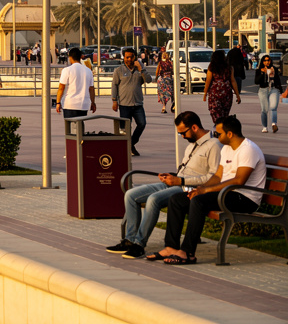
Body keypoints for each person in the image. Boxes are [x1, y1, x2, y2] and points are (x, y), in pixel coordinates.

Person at [105, 111, 221, 260]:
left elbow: (213, 177)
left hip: (187, 188)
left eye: (182, 133)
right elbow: (186, 171)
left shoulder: (214, 145)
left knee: (154, 199)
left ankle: (139, 245)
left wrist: (181, 181)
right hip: (177, 181)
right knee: (130, 194)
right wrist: (171, 176)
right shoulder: (191, 145)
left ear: (194, 127)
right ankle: (129, 240)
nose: (182, 137)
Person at [152, 115, 267, 265]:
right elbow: (218, 176)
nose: (215, 136)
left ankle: (188, 252)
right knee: (177, 200)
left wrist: (205, 192)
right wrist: (201, 188)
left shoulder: (248, 149)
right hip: (227, 193)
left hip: (244, 198)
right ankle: (171, 247)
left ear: (230, 134)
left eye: (218, 133)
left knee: (199, 202)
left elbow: (239, 181)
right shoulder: (227, 148)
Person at [112, 47, 153, 156]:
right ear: (124, 58)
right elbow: (114, 86)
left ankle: (130, 144)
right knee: (125, 129)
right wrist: (114, 101)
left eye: (131, 57)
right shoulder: (119, 70)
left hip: (138, 104)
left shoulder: (140, 69)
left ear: (135, 57)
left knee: (142, 124)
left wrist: (141, 69)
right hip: (124, 105)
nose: (129, 59)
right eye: (127, 57)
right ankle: (128, 147)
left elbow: (149, 80)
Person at [203, 49, 241, 125]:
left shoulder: (212, 67)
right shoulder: (229, 68)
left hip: (215, 93)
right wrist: (237, 95)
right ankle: (223, 128)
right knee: (224, 114)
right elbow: (233, 81)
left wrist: (205, 93)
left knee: (215, 113)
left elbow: (208, 81)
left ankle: (218, 128)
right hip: (227, 93)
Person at [55, 47, 96, 118]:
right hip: (83, 104)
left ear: (70, 57)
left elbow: (61, 88)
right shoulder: (88, 71)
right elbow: (91, 89)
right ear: (80, 57)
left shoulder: (67, 70)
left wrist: (58, 102)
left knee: (70, 127)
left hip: (69, 104)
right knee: (80, 126)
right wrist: (92, 102)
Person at [255, 53, 281, 133]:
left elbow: (278, 80)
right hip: (263, 90)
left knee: (273, 107)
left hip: (273, 89)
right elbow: (256, 81)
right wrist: (263, 73)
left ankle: (274, 124)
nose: (267, 62)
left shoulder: (274, 69)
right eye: (265, 61)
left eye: (268, 60)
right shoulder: (259, 70)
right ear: (262, 62)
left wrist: (280, 89)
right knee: (264, 109)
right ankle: (265, 127)